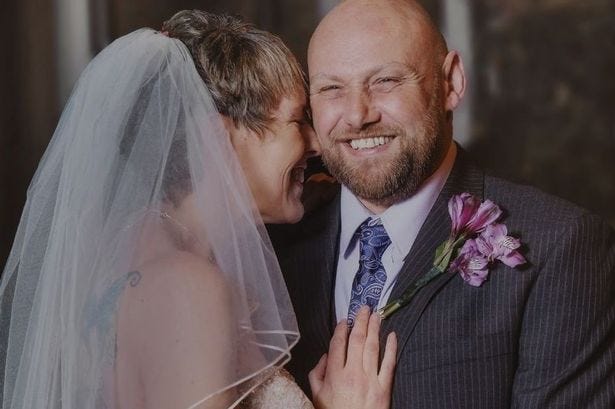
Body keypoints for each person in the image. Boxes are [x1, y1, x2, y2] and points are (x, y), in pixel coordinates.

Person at [0, 10, 397, 409]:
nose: (316, 144)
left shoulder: (123, 255)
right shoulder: (190, 288)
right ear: (217, 139)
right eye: (297, 122)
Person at [269, 0, 615, 408]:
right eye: (331, 88)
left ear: (450, 81)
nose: (357, 115)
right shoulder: (271, 244)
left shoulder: (561, 247)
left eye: (385, 81)